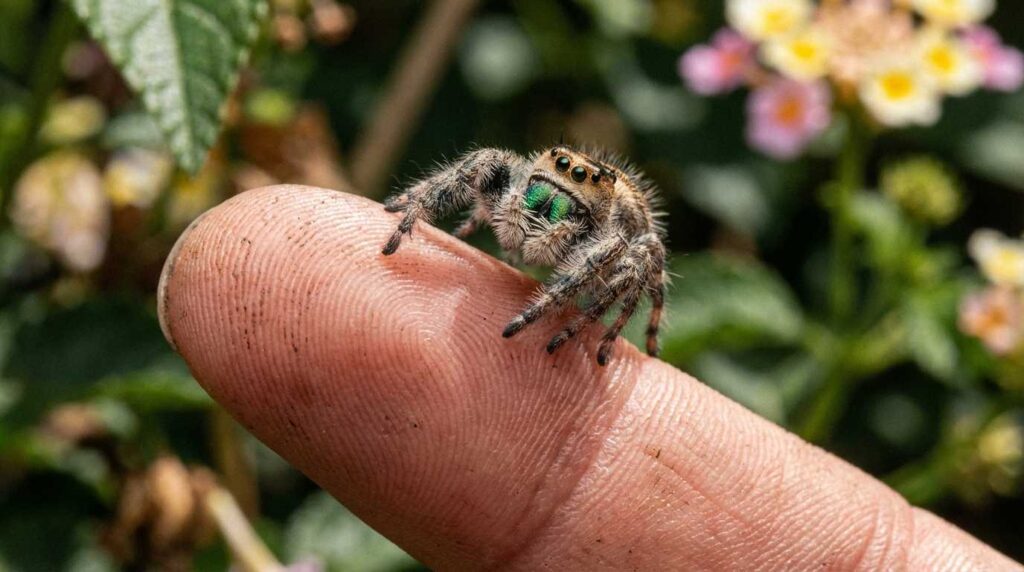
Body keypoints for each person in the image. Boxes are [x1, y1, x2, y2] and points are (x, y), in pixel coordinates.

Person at [158, 185, 1020, 571]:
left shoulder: (619, 237)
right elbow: (495, 175)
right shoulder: (525, 189)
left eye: (556, 206)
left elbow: (644, 262)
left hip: (586, 268)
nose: (535, 221)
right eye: (535, 202)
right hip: (533, 240)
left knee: (639, 253)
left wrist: (585, 317)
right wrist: (414, 214)